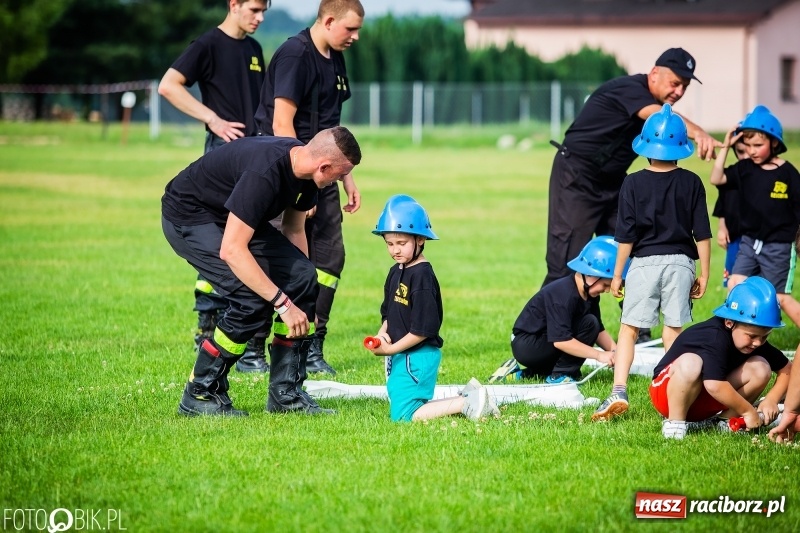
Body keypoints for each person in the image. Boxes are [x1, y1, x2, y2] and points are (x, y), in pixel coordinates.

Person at [161, 126, 362, 417]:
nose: (340, 182)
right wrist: (283, 304)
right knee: (250, 298)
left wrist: (301, 297)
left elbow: (294, 230)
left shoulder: (306, 175)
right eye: (340, 175)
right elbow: (232, 249)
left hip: (232, 218)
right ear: (324, 167)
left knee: (304, 277)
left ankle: (286, 396)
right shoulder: (265, 174)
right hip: (191, 215)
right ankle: (200, 394)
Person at [543, 47, 720, 344]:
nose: (678, 91)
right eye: (674, 83)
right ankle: (550, 332)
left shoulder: (653, 98)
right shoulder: (631, 89)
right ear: (654, 74)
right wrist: (699, 132)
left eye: (684, 87)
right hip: (577, 177)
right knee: (567, 259)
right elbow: (656, 116)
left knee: (637, 250)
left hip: (613, 183)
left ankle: (641, 331)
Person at [157, 0, 271, 373]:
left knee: (254, 238)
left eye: (265, 11)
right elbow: (168, 86)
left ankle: (251, 338)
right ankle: (208, 326)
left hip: (255, 157)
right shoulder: (207, 45)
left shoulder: (254, 50)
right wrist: (213, 120)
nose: (260, 17)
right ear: (233, 4)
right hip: (223, 158)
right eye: (254, 9)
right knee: (224, 240)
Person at [253, 0, 364, 376]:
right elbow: (281, 123)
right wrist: (300, 188)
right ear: (329, 20)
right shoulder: (294, 54)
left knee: (330, 258)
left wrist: (346, 175)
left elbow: (334, 127)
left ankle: (312, 346)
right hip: (285, 172)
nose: (356, 36)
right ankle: (255, 347)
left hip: (324, 171)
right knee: (273, 256)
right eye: (350, 28)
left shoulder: (335, 56)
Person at [593, 103, 712, 422]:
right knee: (673, 329)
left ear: (646, 147)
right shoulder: (692, 183)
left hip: (644, 264)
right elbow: (702, 232)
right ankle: (672, 390)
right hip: (681, 265)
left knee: (629, 329)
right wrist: (705, 272)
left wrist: (617, 275)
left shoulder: (632, 183)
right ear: (680, 148)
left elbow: (626, 236)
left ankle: (619, 390)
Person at [365, 195, 499, 422]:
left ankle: (466, 403)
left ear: (420, 240)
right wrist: (382, 334)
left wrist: (391, 349)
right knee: (404, 403)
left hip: (417, 356)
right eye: (389, 243)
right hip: (401, 354)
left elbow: (422, 329)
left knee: (404, 415)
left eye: (402, 243)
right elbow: (388, 313)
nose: (395, 250)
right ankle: (471, 397)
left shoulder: (423, 277)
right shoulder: (395, 271)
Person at [650, 277, 792, 440]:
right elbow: (714, 385)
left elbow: (787, 370)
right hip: (666, 396)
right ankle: (675, 422)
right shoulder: (714, 337)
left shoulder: (753, 340)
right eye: (752, 336)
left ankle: (724, 421)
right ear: (729, 322)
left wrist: (771, 400)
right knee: (691, 363)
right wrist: (748, 411)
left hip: (701, 399)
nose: (758, 343)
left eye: (764, 337)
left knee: (761, 368)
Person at [490, 237, 629, 384]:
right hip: (527, 344)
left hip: (543, 340)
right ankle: (561, 374)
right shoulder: (562, 295)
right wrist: (599, 355)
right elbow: (561, 342)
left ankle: (520, 374)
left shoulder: (590, 294)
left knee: (592, 324)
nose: (607, 290)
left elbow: (598, 330)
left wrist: (616, 353)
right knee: (589, 324)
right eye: (606, 285)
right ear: (590, 275)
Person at [709, 105, 800, 328]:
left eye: (758, 145)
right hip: (750, 243)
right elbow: (716, 178)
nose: (751, 151)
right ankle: (740, 336)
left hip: (778, 246)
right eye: (747, 145)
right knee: (735, 283)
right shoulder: (745, 169)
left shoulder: (788, 173)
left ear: (774, 143)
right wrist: (726, 146)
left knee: (779, 297)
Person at [712, 135, 749, 288]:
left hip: (761, 241)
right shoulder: (734, 173)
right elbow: (723, 200)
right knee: (733, 284)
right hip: (735, 239)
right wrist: (722, 227)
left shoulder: (768, 174)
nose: (747, 155)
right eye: (740, 151)